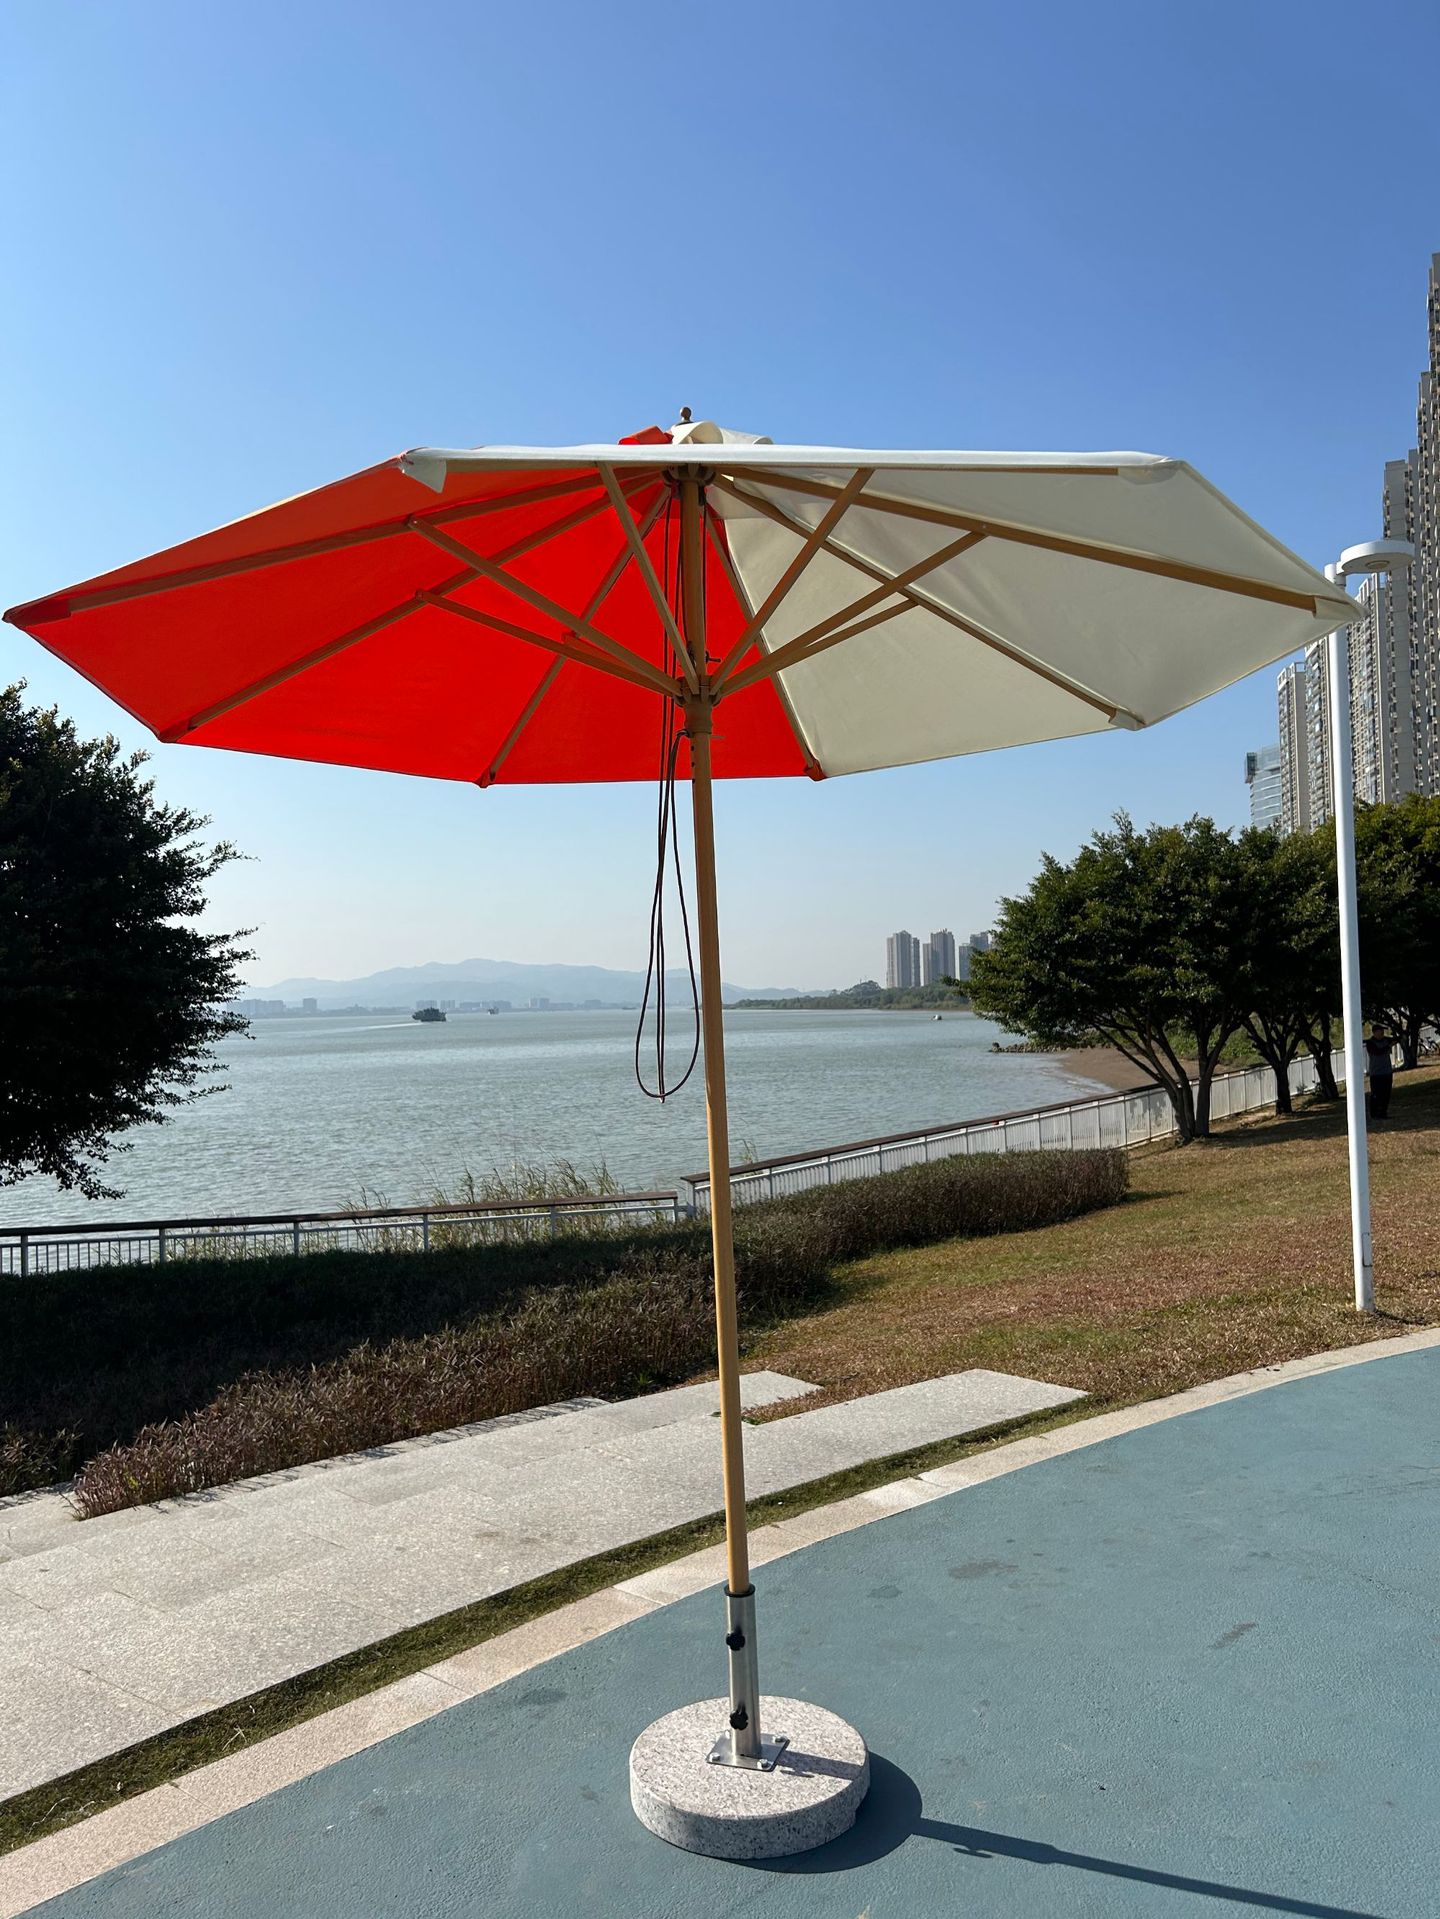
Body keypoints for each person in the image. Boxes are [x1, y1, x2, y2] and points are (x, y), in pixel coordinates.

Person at [1364, 1025, 1395, 1121]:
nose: (1382, 1033)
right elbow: (1377, 1052)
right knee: (1376, 1094)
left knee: (1386, 1093)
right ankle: (1374, 1114)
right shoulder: (1370, 1043)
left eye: (1382, 1031)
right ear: (1374, 1032)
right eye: (1380, 1031)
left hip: (1387, 1071)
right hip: (1376, 1073)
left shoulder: (1386, 1040)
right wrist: (1388, 1046)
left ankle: (1383, 1113)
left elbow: (1395, 1039)